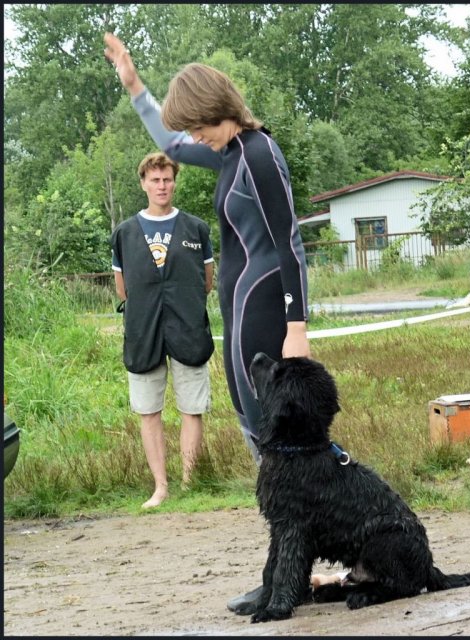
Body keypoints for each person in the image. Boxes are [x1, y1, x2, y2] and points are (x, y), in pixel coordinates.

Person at [104, 35, 311, 605]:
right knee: (259, 432)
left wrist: (298, 326)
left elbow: (289, 242)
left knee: (279, 436)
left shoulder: (259, 154)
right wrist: (135, 87)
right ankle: (291, 567)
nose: (189, 139)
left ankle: (298, 567)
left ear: (215, 110)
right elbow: (167, 138)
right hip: (242, 306)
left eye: (195, 125)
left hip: (266, 308)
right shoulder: (228, 153)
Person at [111, 151, 215, 509]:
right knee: (148, 410)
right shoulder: (124, 233)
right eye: (155, 179)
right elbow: (123, 289)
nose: (161, 185)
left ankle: (189, 484)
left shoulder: (196, 228)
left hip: (188, 329)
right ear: (143, 183)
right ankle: (161, 487)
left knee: (192, 407)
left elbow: (207, 282)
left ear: (174, 182)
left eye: (167, 179)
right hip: (143, 333)